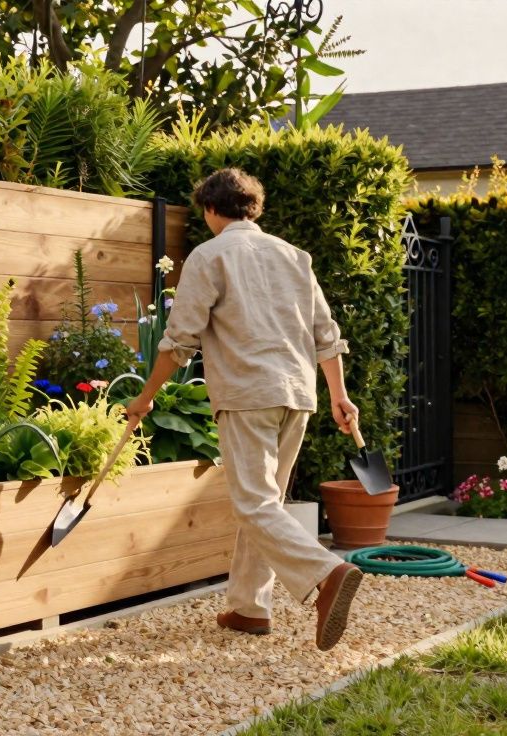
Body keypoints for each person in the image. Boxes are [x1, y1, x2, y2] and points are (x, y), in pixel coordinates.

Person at [125, 168, 363, 652]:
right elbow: (326, 335)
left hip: (247, 394)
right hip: (297, 395)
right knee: (265, 505)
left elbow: (179, 341)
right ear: (254, 207)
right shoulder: (295, 257)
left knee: (254, 504)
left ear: (211, 210)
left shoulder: (209, 256)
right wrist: (340, 395)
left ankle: (326, 573)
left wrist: (145, 396)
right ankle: (249, 609)